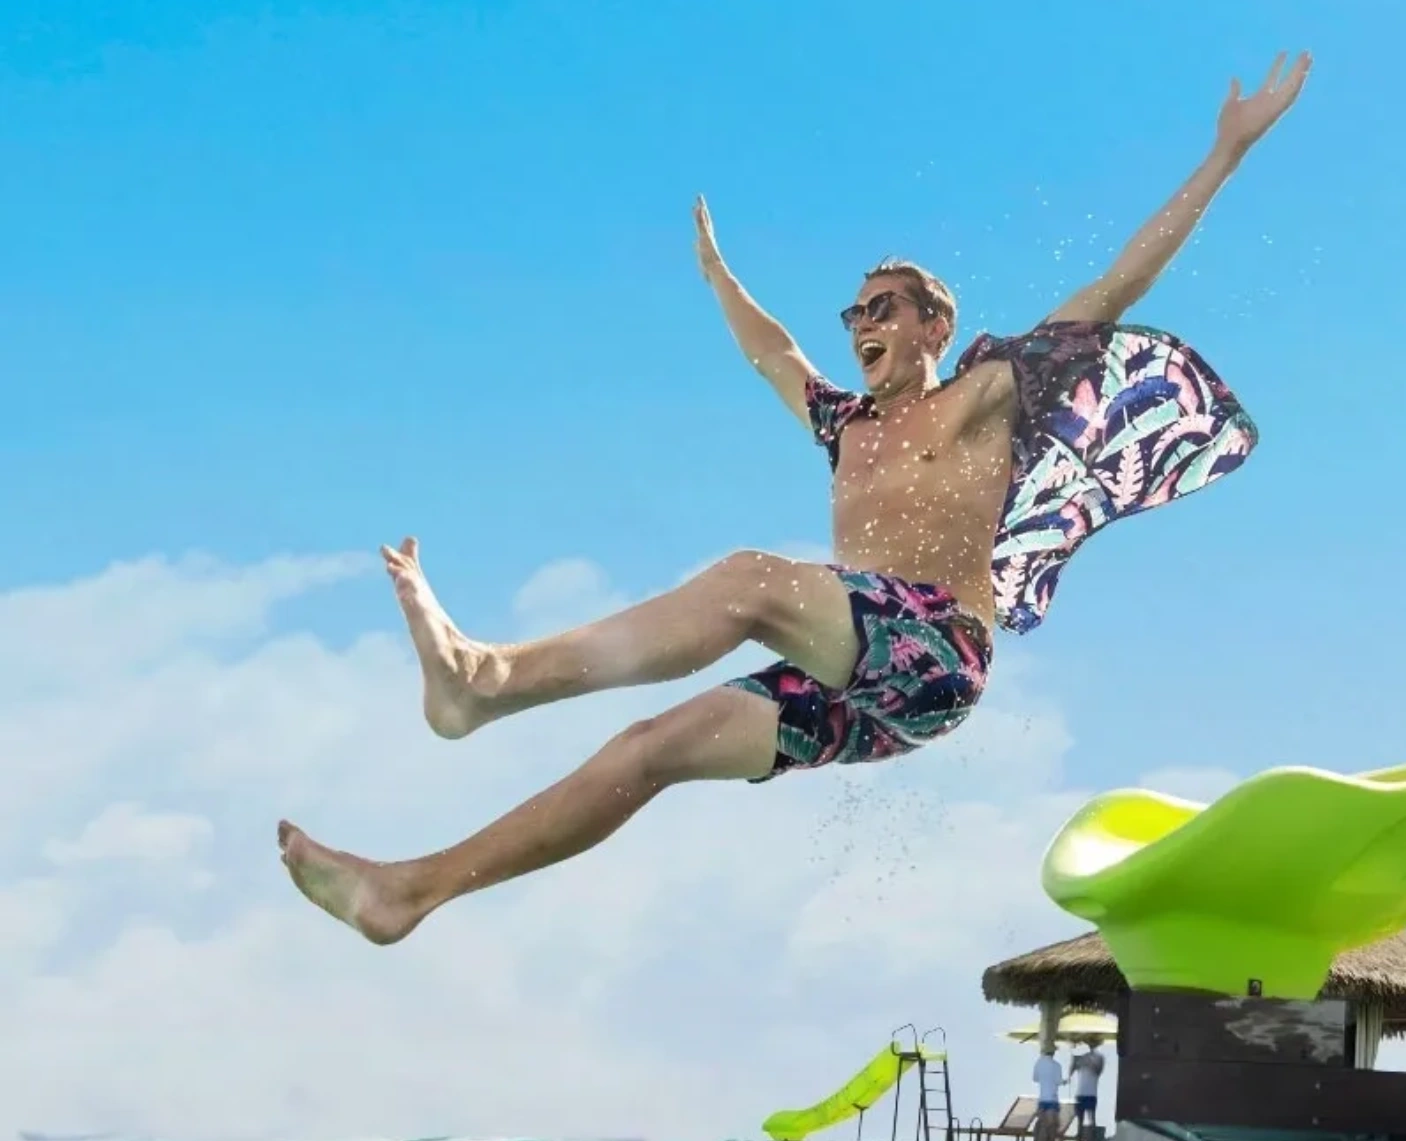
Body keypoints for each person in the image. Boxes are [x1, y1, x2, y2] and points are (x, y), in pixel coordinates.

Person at [277, 52, 1312, 944]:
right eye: (853, 311)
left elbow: (1115, 285)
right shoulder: (843, 426)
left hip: (940, 654)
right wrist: (719, 273)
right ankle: (409, 892)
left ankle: (487, 677)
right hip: (860, 679)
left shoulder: (987, 395)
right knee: (651, 750)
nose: (860, 324)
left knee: (747, 583)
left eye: (881, 308)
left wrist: (1227, 152)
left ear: (930, 326)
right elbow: (772, 353)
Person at [1069, 1038, 1106, 1141]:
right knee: (1080, 1119)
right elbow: (1071, 1071)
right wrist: (1074, 1061)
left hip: (1091, 1093)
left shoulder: (1099, 1057)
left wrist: (1087, 1061)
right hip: (1080, 1092)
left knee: (1091, 1119)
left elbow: (1098, 1070)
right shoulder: (1081, 1057)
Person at [1032, 1044, 1065, 1141]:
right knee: (1053, 1125)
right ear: (1054, 1052)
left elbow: (1035, 1078)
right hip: (1052, 1099)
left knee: (1042, 1123)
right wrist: (1064, 1082)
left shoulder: (1039, 1063)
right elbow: (1058, 1081)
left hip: (1042, 1099)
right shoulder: (1056, 1065)